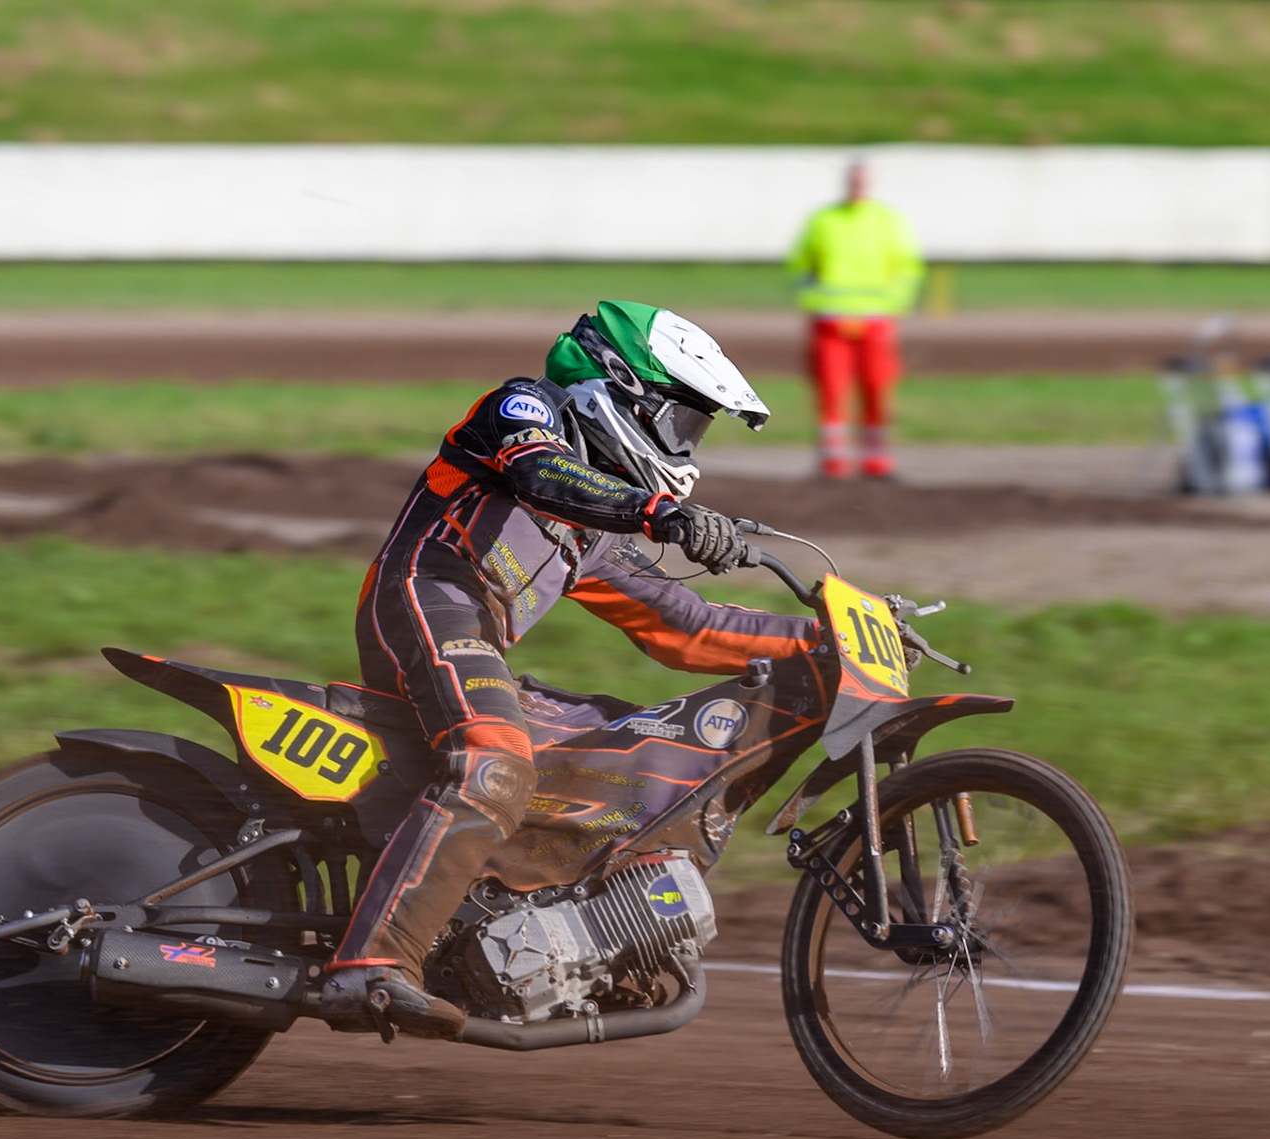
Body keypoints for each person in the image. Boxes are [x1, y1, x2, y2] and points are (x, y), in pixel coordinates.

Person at [320, 301, 822, 1040]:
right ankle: (371, 963)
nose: (689, 446)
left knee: (625, 754)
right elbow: (542, 474)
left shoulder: (594, 533)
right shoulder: (524, 408)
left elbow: (687, 625)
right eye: (683, 422)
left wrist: (828, 638)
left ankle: (515, 932)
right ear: (619, 389)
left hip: (477, 639)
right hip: (425, 603)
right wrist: (659, 512)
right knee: (494, 760)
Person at [785, 160, 923, 479]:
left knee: (877, 386)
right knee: (831, 388)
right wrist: (816, 302)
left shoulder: (888, 221)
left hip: (875, 322)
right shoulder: (823, 220)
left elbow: (907, 268)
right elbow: (799, 267)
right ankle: (833, 459)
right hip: (830, 322)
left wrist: (892, 306)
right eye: (853, 181)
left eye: (862, 181)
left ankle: (877, 459)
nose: (857, 187)